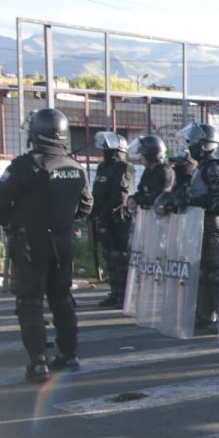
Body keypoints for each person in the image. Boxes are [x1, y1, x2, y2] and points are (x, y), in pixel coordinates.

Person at [0, 108, 93, 382]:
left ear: (37, 134)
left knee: (30, 301)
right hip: (63, 239)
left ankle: (38, 362)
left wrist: (14, 221)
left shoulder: (25, 166)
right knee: (62, 298)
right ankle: (69, 355)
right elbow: (86, 206)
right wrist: (65, 221)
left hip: (31, 241)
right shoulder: (75, 167)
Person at [157, 123, 219, 332]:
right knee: (201, 271)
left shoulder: (215, 167)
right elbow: (193, 193)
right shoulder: (201, 167)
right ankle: (204, 314)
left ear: (206, 144)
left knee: (215, 272)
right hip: (198, 224)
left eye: (194, 142)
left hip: (213, 225)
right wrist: (177, 201)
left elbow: (218, 198)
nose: (190, 146)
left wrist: (191, 201)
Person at [89, 131, 134, 309]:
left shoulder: (125, 167)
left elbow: (120, 195)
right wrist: (94, 214)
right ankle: (114, 292)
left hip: (118, 218)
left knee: (119, 257)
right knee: (108, 256)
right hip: (102, 217)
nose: (105, 153)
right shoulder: (102, 167)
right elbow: (97, 192)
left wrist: (105, 216)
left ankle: (123, 295)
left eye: (108, 149)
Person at [127, 135, 175, 212]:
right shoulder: (148, 171)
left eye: (142, 155)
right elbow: (141, 191)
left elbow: (160, 198)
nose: (140, 158)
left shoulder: (165, 172)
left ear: (150, 156)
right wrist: (132, 198)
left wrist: (138, 200)